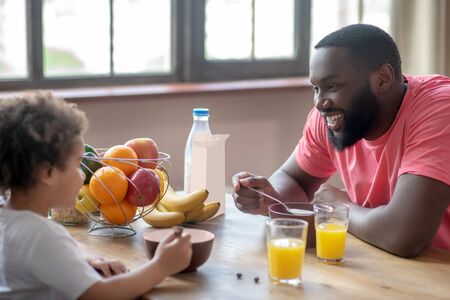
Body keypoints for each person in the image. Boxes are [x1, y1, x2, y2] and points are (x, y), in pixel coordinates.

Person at [232, 24, 450, 257]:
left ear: (383, 78)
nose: (319, 103)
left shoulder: (439, 109)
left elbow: (404, 235)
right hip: (383, 261)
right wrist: (269, 197)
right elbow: (296, 180)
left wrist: (339, 208)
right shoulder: (329, 116)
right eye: (316, 88)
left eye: (332, 86)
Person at [0, 91, 192, 299]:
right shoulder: (41, 235)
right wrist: (161, 267)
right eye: (77, 163)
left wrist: (87, 256)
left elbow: (55, 246)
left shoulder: (12, 220)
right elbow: (100, 295)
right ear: (47, 173)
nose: (83, 174)